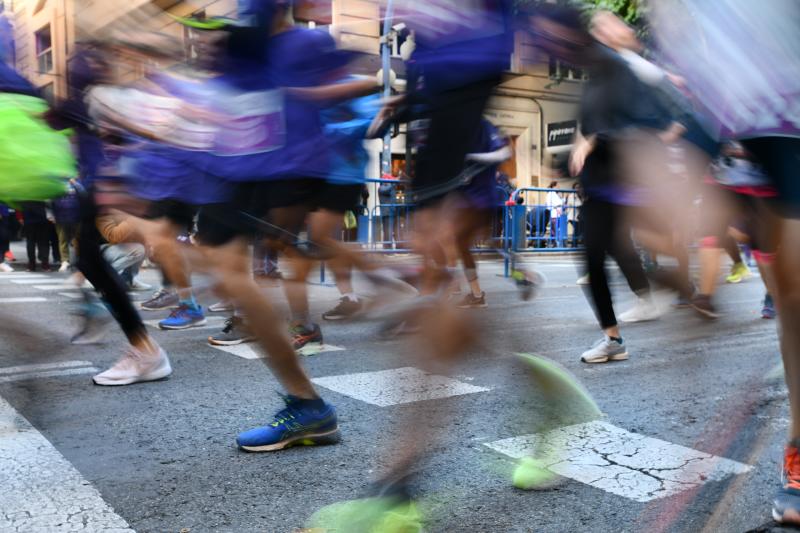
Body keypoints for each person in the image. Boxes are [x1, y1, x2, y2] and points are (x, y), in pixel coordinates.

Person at [21, 201, 51, 271]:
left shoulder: (24, 194)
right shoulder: (41, 193)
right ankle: (45, 264)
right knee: (43, 243)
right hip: (42, 220)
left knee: (31, 243)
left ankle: (32, 265)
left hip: (29, 221)